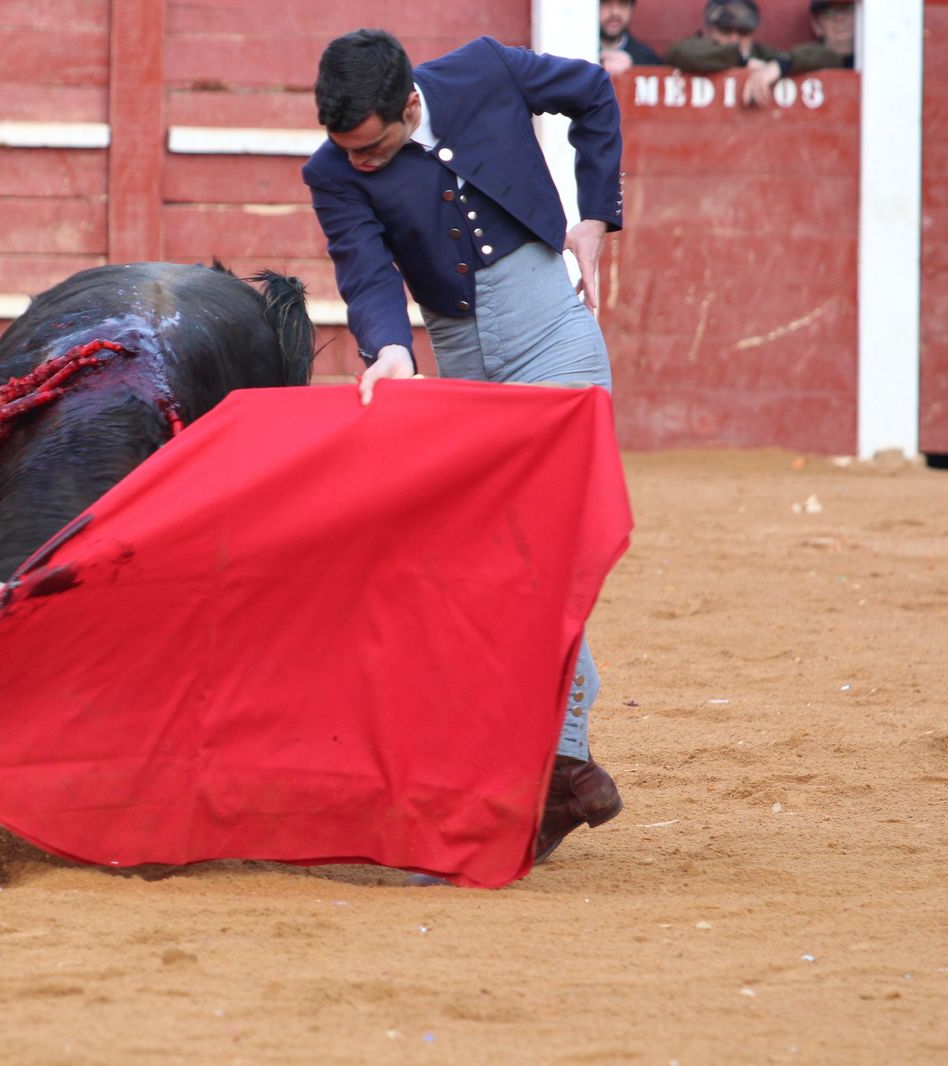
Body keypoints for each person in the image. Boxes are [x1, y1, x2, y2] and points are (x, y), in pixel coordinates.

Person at [301, 28, 625, 863]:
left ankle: (561, 762)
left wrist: (594, 217)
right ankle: (564, 769)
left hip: (557, 339)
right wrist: (391, 349)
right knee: (484, 567)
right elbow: (366, 271)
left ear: (411, 103)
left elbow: (591, 90)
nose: (359, 165)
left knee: (537, 555)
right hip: (464, 369)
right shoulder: (331, 172)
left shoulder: (483, 70)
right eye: (348, 152)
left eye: (373, 148)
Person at [665, 0, 848, 106]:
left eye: (743, 32)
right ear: (709, 29)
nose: (734, 39)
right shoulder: (696, 47)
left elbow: (828, 56)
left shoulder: (760, 53)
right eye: (726, 31)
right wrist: (743, 61)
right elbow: (679, 53)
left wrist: (780, 66)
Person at [600, 0, 662, 76]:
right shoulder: (581, 53)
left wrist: (634, 68)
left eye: (623, 4)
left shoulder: (647, 59)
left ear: (631, 8)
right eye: (605, 3)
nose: (615, 12)